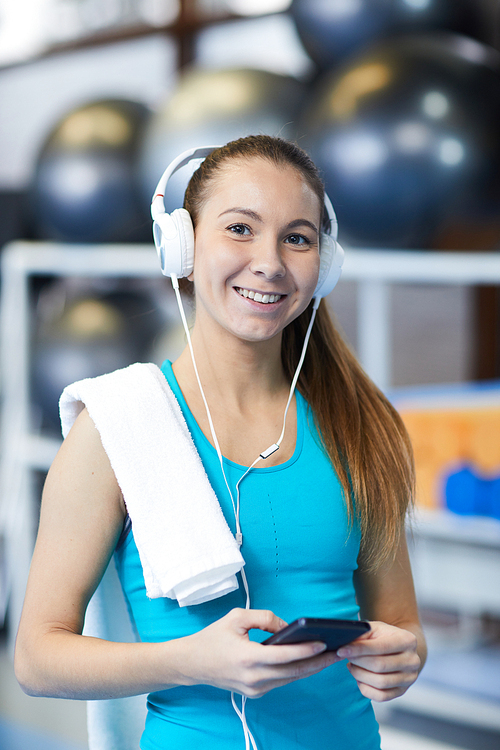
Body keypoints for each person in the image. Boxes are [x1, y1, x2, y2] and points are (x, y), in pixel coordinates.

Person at [15, 135, 426, 749]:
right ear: (181, 244)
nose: (270, 262)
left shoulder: (363, 425)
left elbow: (401, 627)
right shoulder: (118, 427)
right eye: (239, 228)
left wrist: (402, 658)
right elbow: (37, 659)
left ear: (325, 261)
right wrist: (192, 660)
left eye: (297, 237)